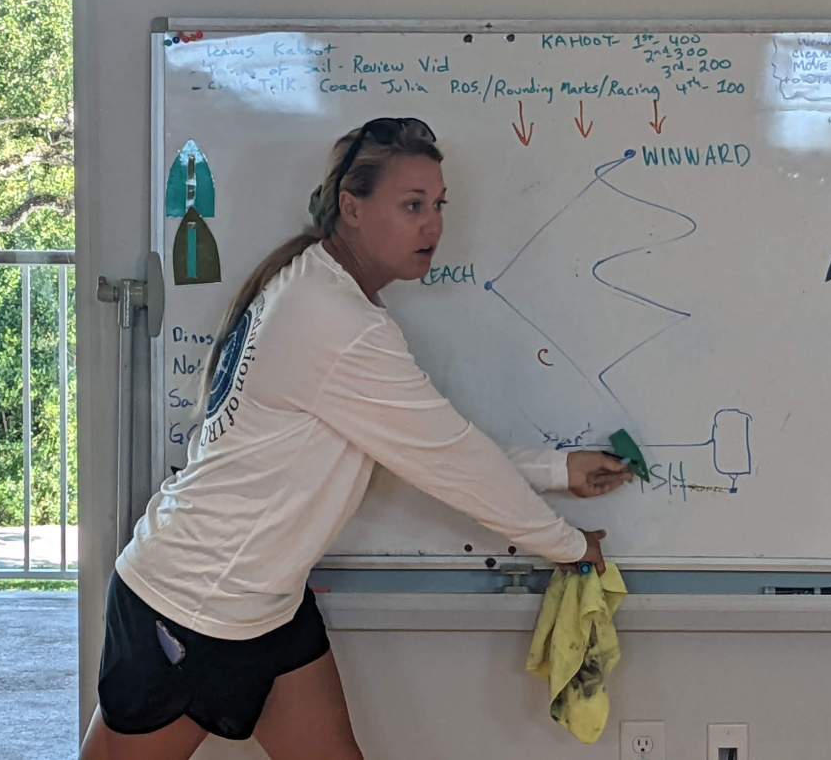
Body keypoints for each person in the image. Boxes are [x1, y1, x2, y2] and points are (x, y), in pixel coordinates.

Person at [80, 117, 633, 760]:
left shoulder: (314, 285)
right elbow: (455, 462)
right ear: (352, 208)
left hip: (268, 605)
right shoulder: (339, 323)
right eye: (412, 205)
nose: (434, 224)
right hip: (193, 604)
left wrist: (560, 470)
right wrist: (565, 544)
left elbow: (422, 447)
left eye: (438, 205)